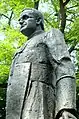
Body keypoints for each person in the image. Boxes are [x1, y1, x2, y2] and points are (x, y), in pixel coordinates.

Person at [6, 8, 77, 119]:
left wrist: (66, 106)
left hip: (38, 98)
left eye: (25, 17)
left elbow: (64, 67)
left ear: (38, 20)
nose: (20, 21)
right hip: (15, 108)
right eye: (20, 19)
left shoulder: (50, 35)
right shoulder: (19, 50)